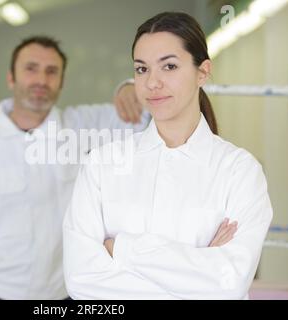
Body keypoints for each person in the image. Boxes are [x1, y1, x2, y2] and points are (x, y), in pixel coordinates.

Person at [63, 12, 273, 300]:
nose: (152, 83)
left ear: (203, 71)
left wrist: (121, 250)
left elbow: (229, 283)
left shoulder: (240, 171)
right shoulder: (101, 165)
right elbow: (80, 280)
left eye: (169, 66)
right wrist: (200, 268)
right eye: (141, 69)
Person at [0, 35, 150, 300]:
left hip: (64, 293)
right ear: (11, 78)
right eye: (31, 69)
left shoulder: (81, 127)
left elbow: (145, 117)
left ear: (61, 82)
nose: (41, 80)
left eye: (52, 72)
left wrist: (131, 87)